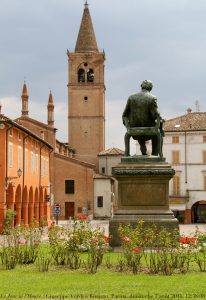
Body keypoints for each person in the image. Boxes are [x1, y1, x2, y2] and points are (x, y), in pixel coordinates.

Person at [122, 80, 161, 156]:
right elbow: (154, 115)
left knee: (140, 129)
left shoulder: (131, 97)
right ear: (150, 88)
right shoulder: (152, 98)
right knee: (157, 132)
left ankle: (141, 149)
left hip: (133, 128)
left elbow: (124, 114)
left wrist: (127, 126)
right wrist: (159, 117)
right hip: (148, 129)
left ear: (141, 86)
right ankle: (155, 154)